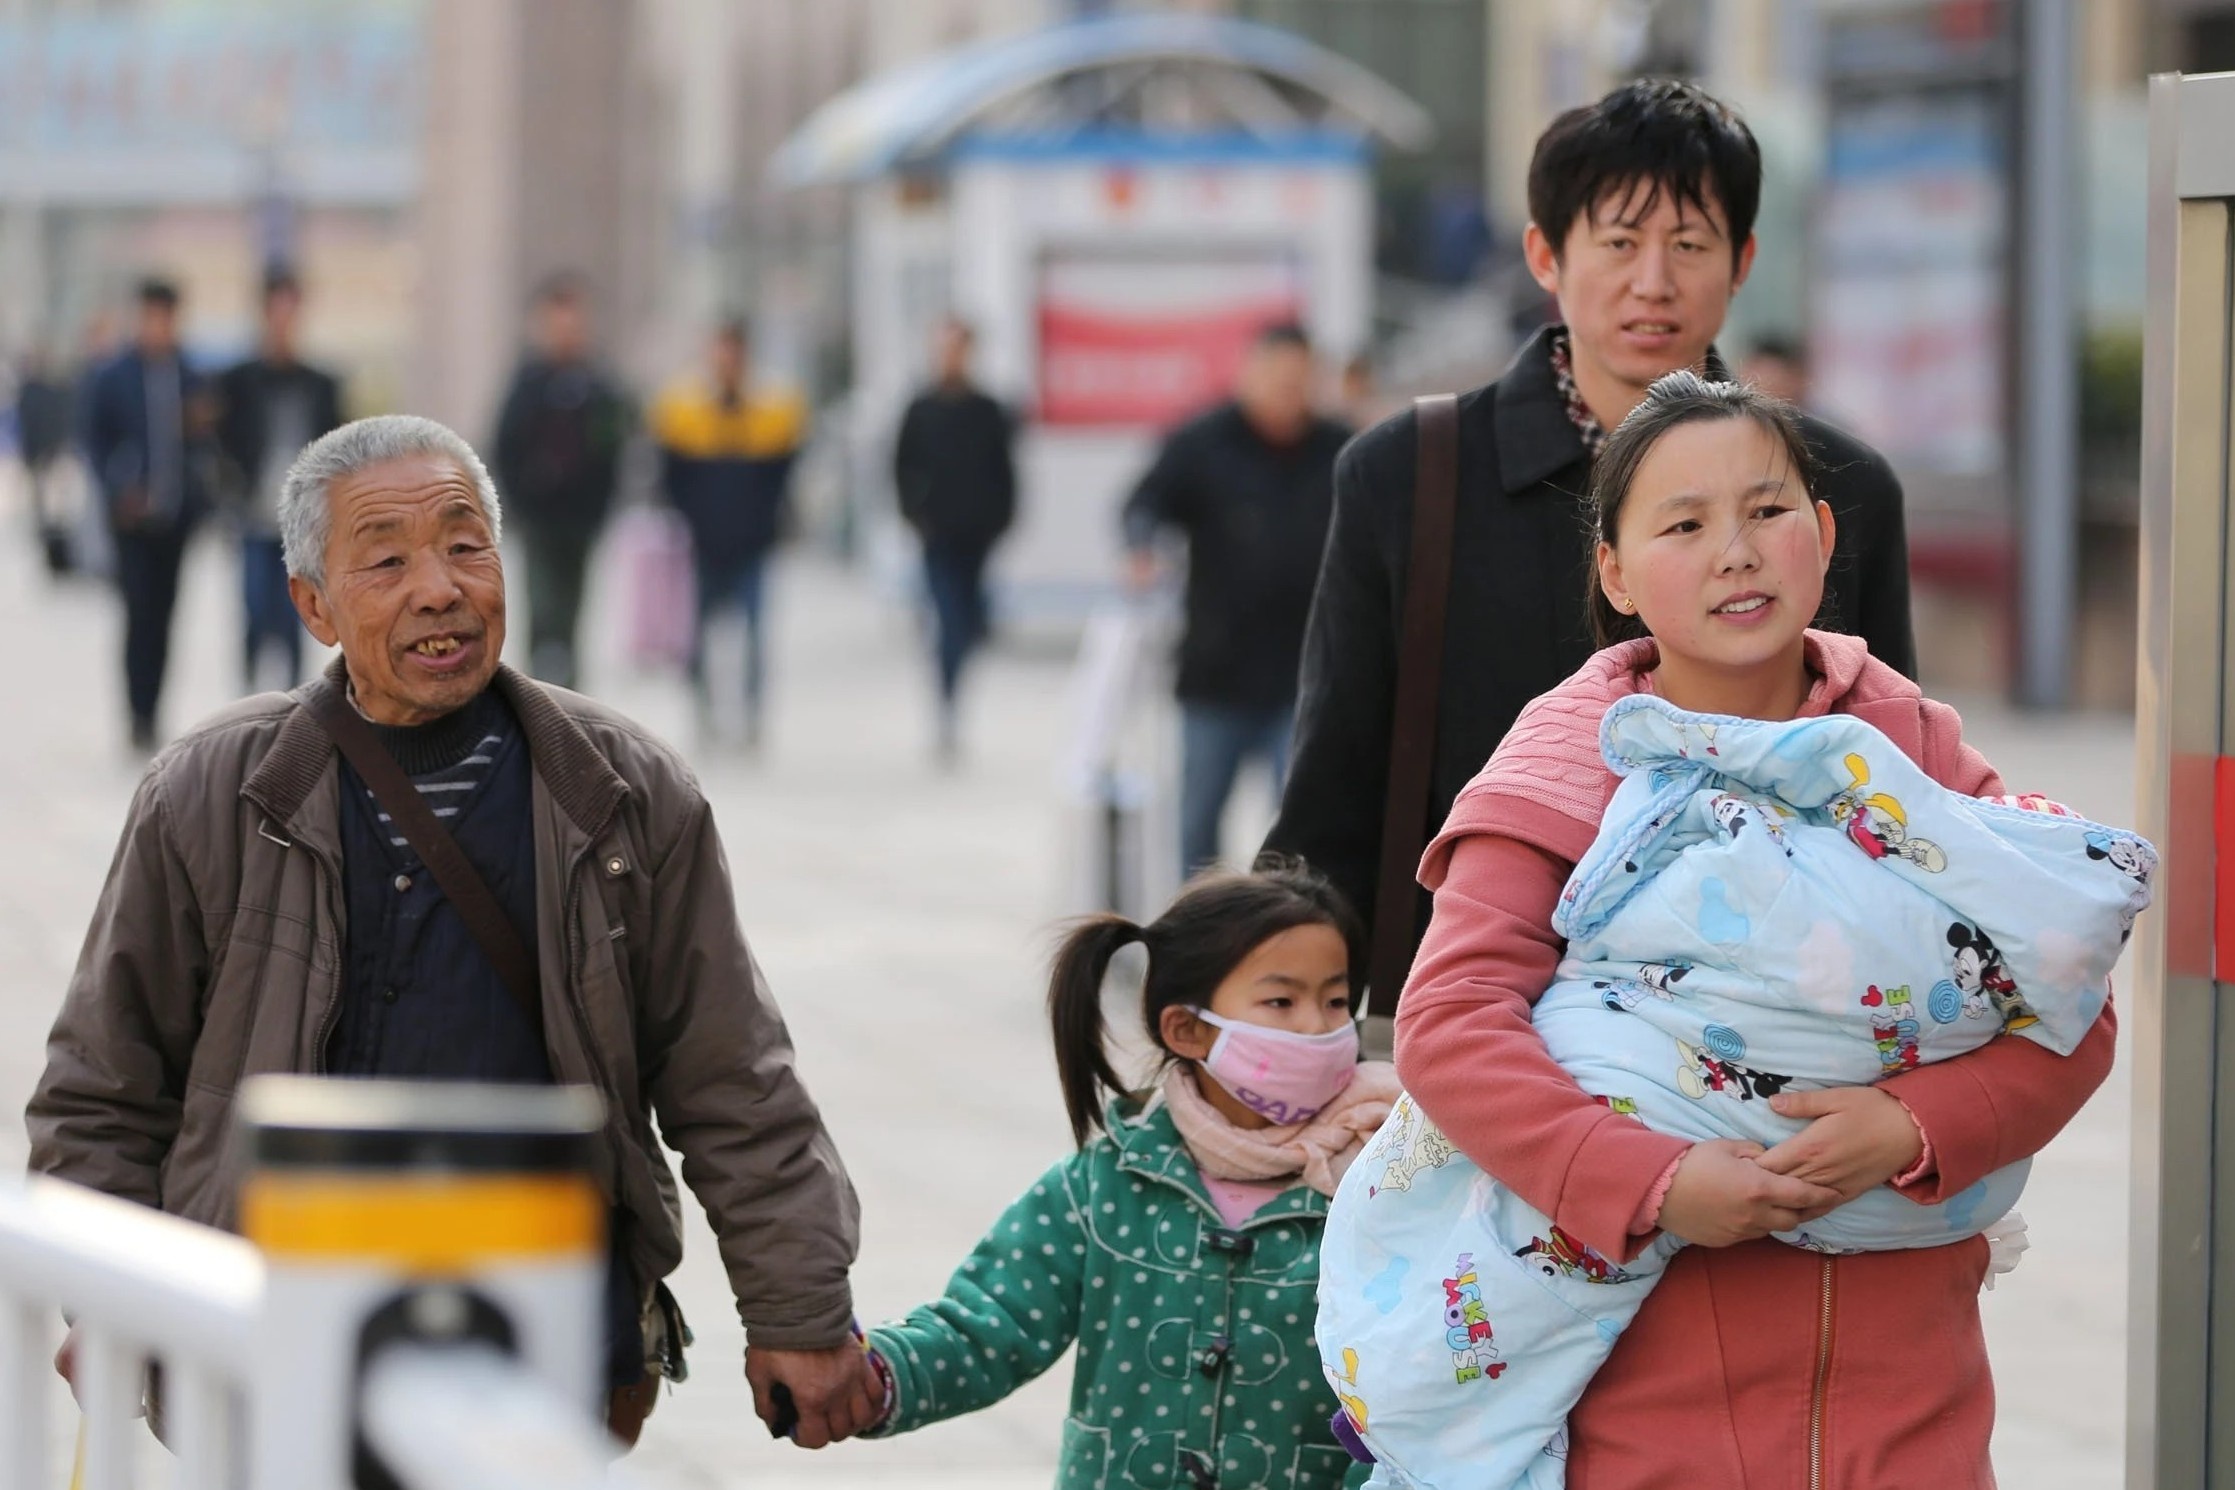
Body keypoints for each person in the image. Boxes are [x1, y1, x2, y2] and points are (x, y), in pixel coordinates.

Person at [1316, 374, 2150, 1487]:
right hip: (1650, 1418)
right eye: (1684, 525)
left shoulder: (1911, 750)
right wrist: (1651, 1181)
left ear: (1825, 533)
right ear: (1614, 573)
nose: (1737, 552)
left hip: (1914, 1403)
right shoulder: (1569, 761)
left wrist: (1911, 1123)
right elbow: (1452, 1021)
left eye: (1767, 510)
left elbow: (2068, 1001)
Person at [27, 415, 879, 1450]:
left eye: (466, 546)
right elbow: (104, 1087)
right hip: (270, 1348)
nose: (440, 588)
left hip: (541, 1344)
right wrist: (113, 1299)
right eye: (387, 560)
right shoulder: (212, 794)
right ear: (313, 605)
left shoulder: (623, 791)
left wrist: (798, 1310)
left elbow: (731, 1071)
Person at [1264, 80, 1917, 1008]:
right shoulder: (1409, 475)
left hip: (1763, 1024)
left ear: (1741, 260)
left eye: (1689, 244)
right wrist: (1285, 1015)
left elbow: (1892, 785)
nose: (1652, 281)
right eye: (1617, 243)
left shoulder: (1839, 489)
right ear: (1545, 255)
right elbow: (1333, 794)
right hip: (1477, 1010)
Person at [855, 861, 1399, 1487]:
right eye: (1282, 1001)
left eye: (1335, 1001)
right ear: (1187, 1030)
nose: (1319, 1026)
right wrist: (873, 1378)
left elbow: (1420, 1373)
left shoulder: (1385, 1178)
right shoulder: (1108, 1181)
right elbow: (989, 1323)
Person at [1124, 324, 1352, 874]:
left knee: (1302, 828)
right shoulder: (1202, 442)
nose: (1287, 394)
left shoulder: (1340, 449)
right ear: (1249, 376)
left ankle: (1288, 920)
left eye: (1299, 382)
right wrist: (1141, 548)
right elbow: (1144, 503)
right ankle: (1197, 922)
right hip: (1216, 673)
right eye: (1276, 380)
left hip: (1307, 676)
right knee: (1198, 823)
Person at [650, 317, 807, 750]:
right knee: (697, 634)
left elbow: (782, 480)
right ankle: (704, 710)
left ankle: (751, 715)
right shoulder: (682, 409)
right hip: (701, 544)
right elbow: (670, 479)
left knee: (754, 633)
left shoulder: (774, 410)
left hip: (753, 543)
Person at [80, 277, 215, 751]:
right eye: (151, 317)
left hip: (177, 518)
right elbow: (93, 441)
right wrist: (119, 487)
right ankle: (136, 713)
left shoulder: (190, 374)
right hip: (132, 520)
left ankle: (155, 709)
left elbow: (206, 438)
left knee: (166, 616)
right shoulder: (113, 375)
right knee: (138, 614)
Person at [493, 273, 631, 690]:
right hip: (539, 518)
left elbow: (614, 446)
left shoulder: (598, 384)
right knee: (542, 609)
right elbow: (505, 446)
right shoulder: (527, 383)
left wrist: (604, 503)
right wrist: (518, 502)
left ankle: (569, 695)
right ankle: (534, 693)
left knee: (574, 612)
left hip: (583, 517)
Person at [893, 318, 1017, 763]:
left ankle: (956, 684)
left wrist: (1002, 518)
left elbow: (1004, 469)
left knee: (970, 621)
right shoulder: (921, 408)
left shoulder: (987, 410)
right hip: (937, 533)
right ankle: (946, 703)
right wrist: (914, 512)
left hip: (977, 533)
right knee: (948, 619)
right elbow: (901, 465)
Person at [217, 265, 346, 689]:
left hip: (301, 523)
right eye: (277, 309)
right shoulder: (238, 381)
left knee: (298, 616)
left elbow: (339, 448)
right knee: (255, 609)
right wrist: (229, 488)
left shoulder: (320, 384)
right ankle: (250, 697)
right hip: (253, 514)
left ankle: (294, 701)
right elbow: (219, 441)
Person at [15, 346, 76, 575]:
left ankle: (54, 531)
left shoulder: (53, 390)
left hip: (49, 450)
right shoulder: (30, 390)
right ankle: (45, 528)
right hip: (37, 450)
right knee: (40, 496)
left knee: (52, 497)